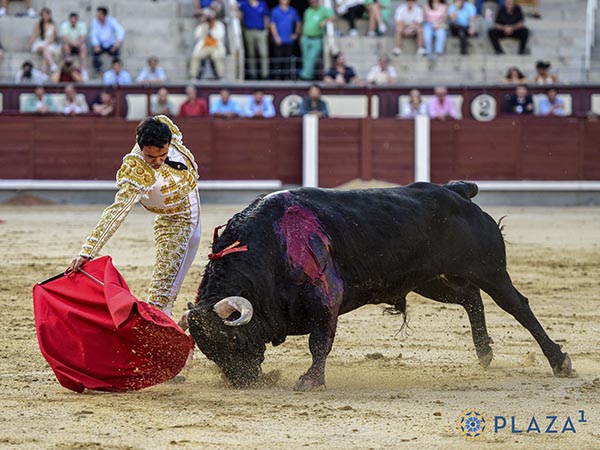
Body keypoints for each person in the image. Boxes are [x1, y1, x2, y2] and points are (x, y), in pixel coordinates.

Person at [67, 116, 202, 318]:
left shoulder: (167, 129)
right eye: (150, 157)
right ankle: (157, 335)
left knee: (174, 286)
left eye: (162, 155)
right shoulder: (136, 171)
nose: (157, 162)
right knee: (162, 291)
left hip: (195, 210)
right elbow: (117, 211)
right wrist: (88, 251)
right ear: (141, 148)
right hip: (172, 223)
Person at [299, 0, 334, 81]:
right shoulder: (307, 11)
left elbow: (333, 17)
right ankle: (308, 75)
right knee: (305, 57)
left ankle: (305, 76)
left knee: (312, 56)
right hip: (306, 37)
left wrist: (325, 21)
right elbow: (304, 24)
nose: (313, 2)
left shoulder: (323, 10)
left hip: (317, 38)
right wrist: (302, 37)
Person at [238, 0, 270, 80]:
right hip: (249, 31)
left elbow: (266, 17)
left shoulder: (262, 4)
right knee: (251, 54)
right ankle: (253, 75)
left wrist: (266, 30)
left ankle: (265, 75)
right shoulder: (244, 4)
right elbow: (236, 9)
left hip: (261, 31)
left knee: (264, 53)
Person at [189, 11, 226, 80]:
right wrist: (204, 26)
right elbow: (197, 35)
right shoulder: (203, 25)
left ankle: (221, 76)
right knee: (195, 56)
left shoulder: (219, 25)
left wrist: (211, 29)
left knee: (217, 57)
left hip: (215, 47)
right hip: (204, 47)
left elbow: (219, 36)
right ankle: (193, 75)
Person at [270, 0, 301, 80]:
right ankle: (277, 78)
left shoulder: (292, 11)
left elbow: (298, 22)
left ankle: (287, 78)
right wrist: (276, 36)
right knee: (277, 60)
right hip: (278, 40)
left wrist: (296, 34)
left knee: (288, 61)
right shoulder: (275, 11)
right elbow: (272, 24)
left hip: (289, 40)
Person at [90, 6, 126, 75]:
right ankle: (98, 72)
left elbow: (121, 30)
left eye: (99, 14)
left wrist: (118, 43)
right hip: (100, 45)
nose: (98, 15)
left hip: (110, 44)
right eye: (97, 14)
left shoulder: (111, 21)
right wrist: (96, 45)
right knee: (95, 54)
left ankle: (116, 71)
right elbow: (93, 35)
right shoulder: (94, 22)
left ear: (104, 15)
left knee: (117, 54)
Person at [28, 7, 59, 73]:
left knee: (45, 56)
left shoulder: (54, 24)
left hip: (50, 43)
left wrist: (48, 43)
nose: (44, 17)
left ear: (49, 15)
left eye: (46, 15)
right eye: (43, 15)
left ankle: (43, 74)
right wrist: (30, 43)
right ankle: (53, 65)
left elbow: (54, 37)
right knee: (45, 49)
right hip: (39, 43)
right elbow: (34, 35)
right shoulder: (38, 24)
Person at [60, 12, 88, 79]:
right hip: (70, 45)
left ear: (77, 20)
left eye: (74, 20)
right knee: (66, 47)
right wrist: (73, 43)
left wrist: (77, 43)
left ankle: (84, 70)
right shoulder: (64, 25)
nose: (73, 22)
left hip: (79, 45)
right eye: (71, 20)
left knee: (83, 47)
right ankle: (69, 68)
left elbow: (83, 38)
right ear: (69, 20)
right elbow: (65, 39)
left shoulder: (82, 25)